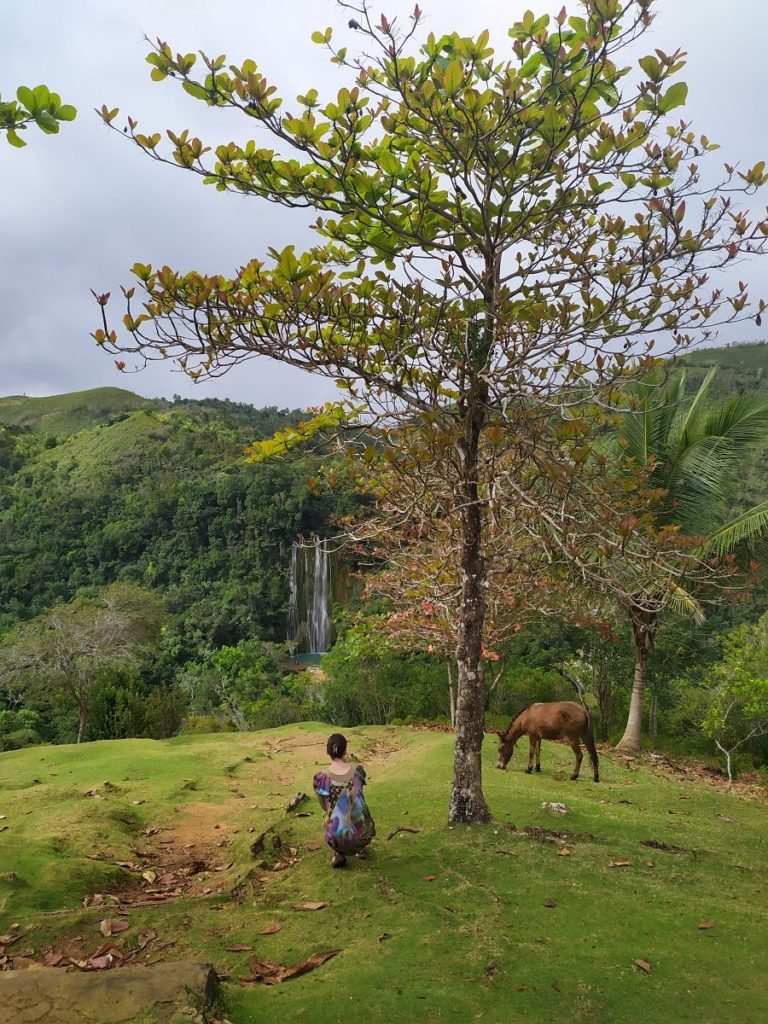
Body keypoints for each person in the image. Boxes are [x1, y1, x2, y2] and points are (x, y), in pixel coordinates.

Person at [313, 733, 376, 868]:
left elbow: (324, 806)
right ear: (345, 751)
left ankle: (339, 854)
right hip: (364, 836)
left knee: (327, 815)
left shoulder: (322, 778)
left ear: (328, 752)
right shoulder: (358, 772)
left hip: (339, 840)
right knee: (359, 809)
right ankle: (361, 850)